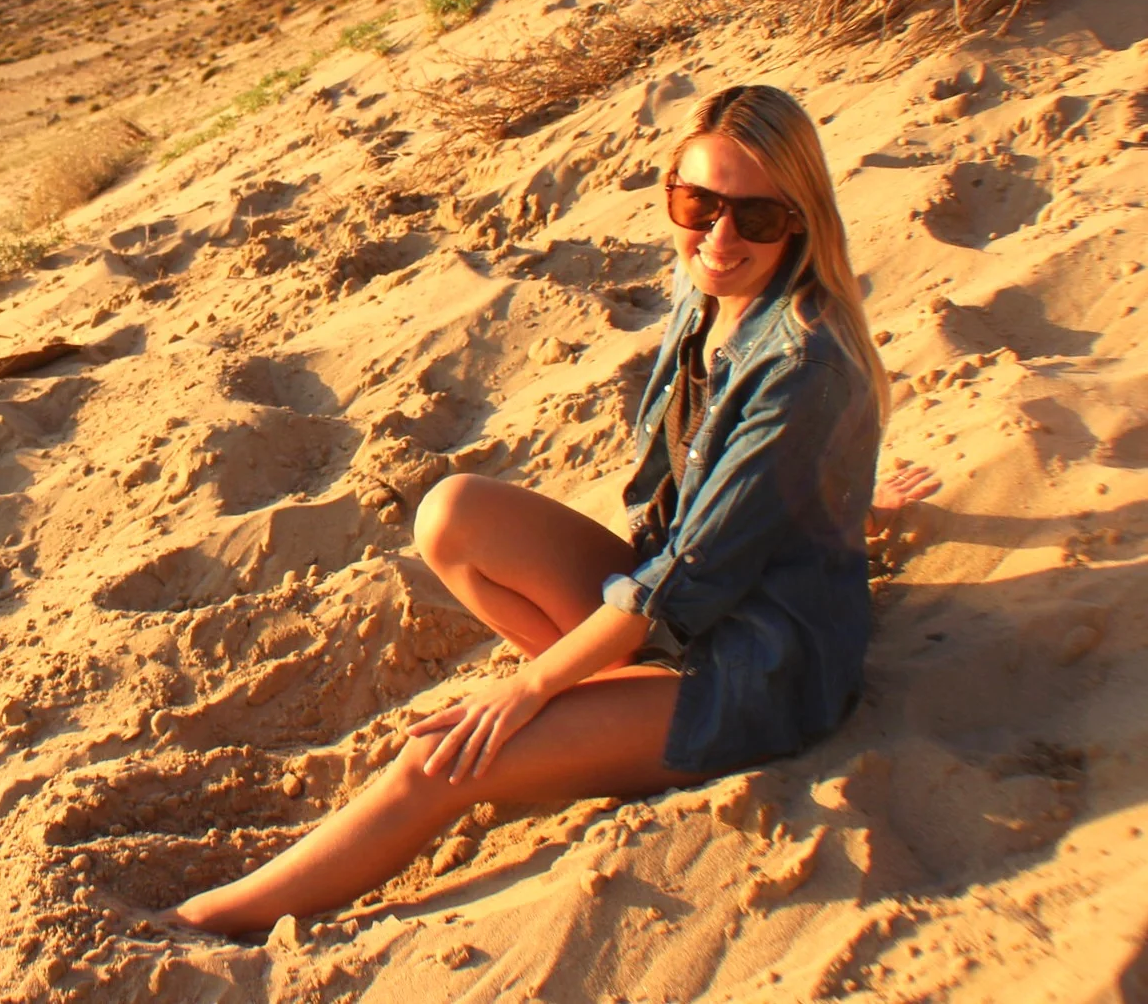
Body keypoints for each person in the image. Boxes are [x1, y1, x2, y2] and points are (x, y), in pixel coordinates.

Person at [170, 83, 938, 934]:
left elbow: (683, 580)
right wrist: (842, 496)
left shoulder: (799, 363)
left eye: (755, 216)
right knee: (451, 513)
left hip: (749, 671)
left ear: (797, 219)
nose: (719, 238)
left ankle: (201, 922)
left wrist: (530, 685)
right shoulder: (711, 292)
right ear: (673, 193)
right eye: (698, 204)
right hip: (672, 611)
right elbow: (741, 490)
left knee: (441, 758)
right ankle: (604, 711)